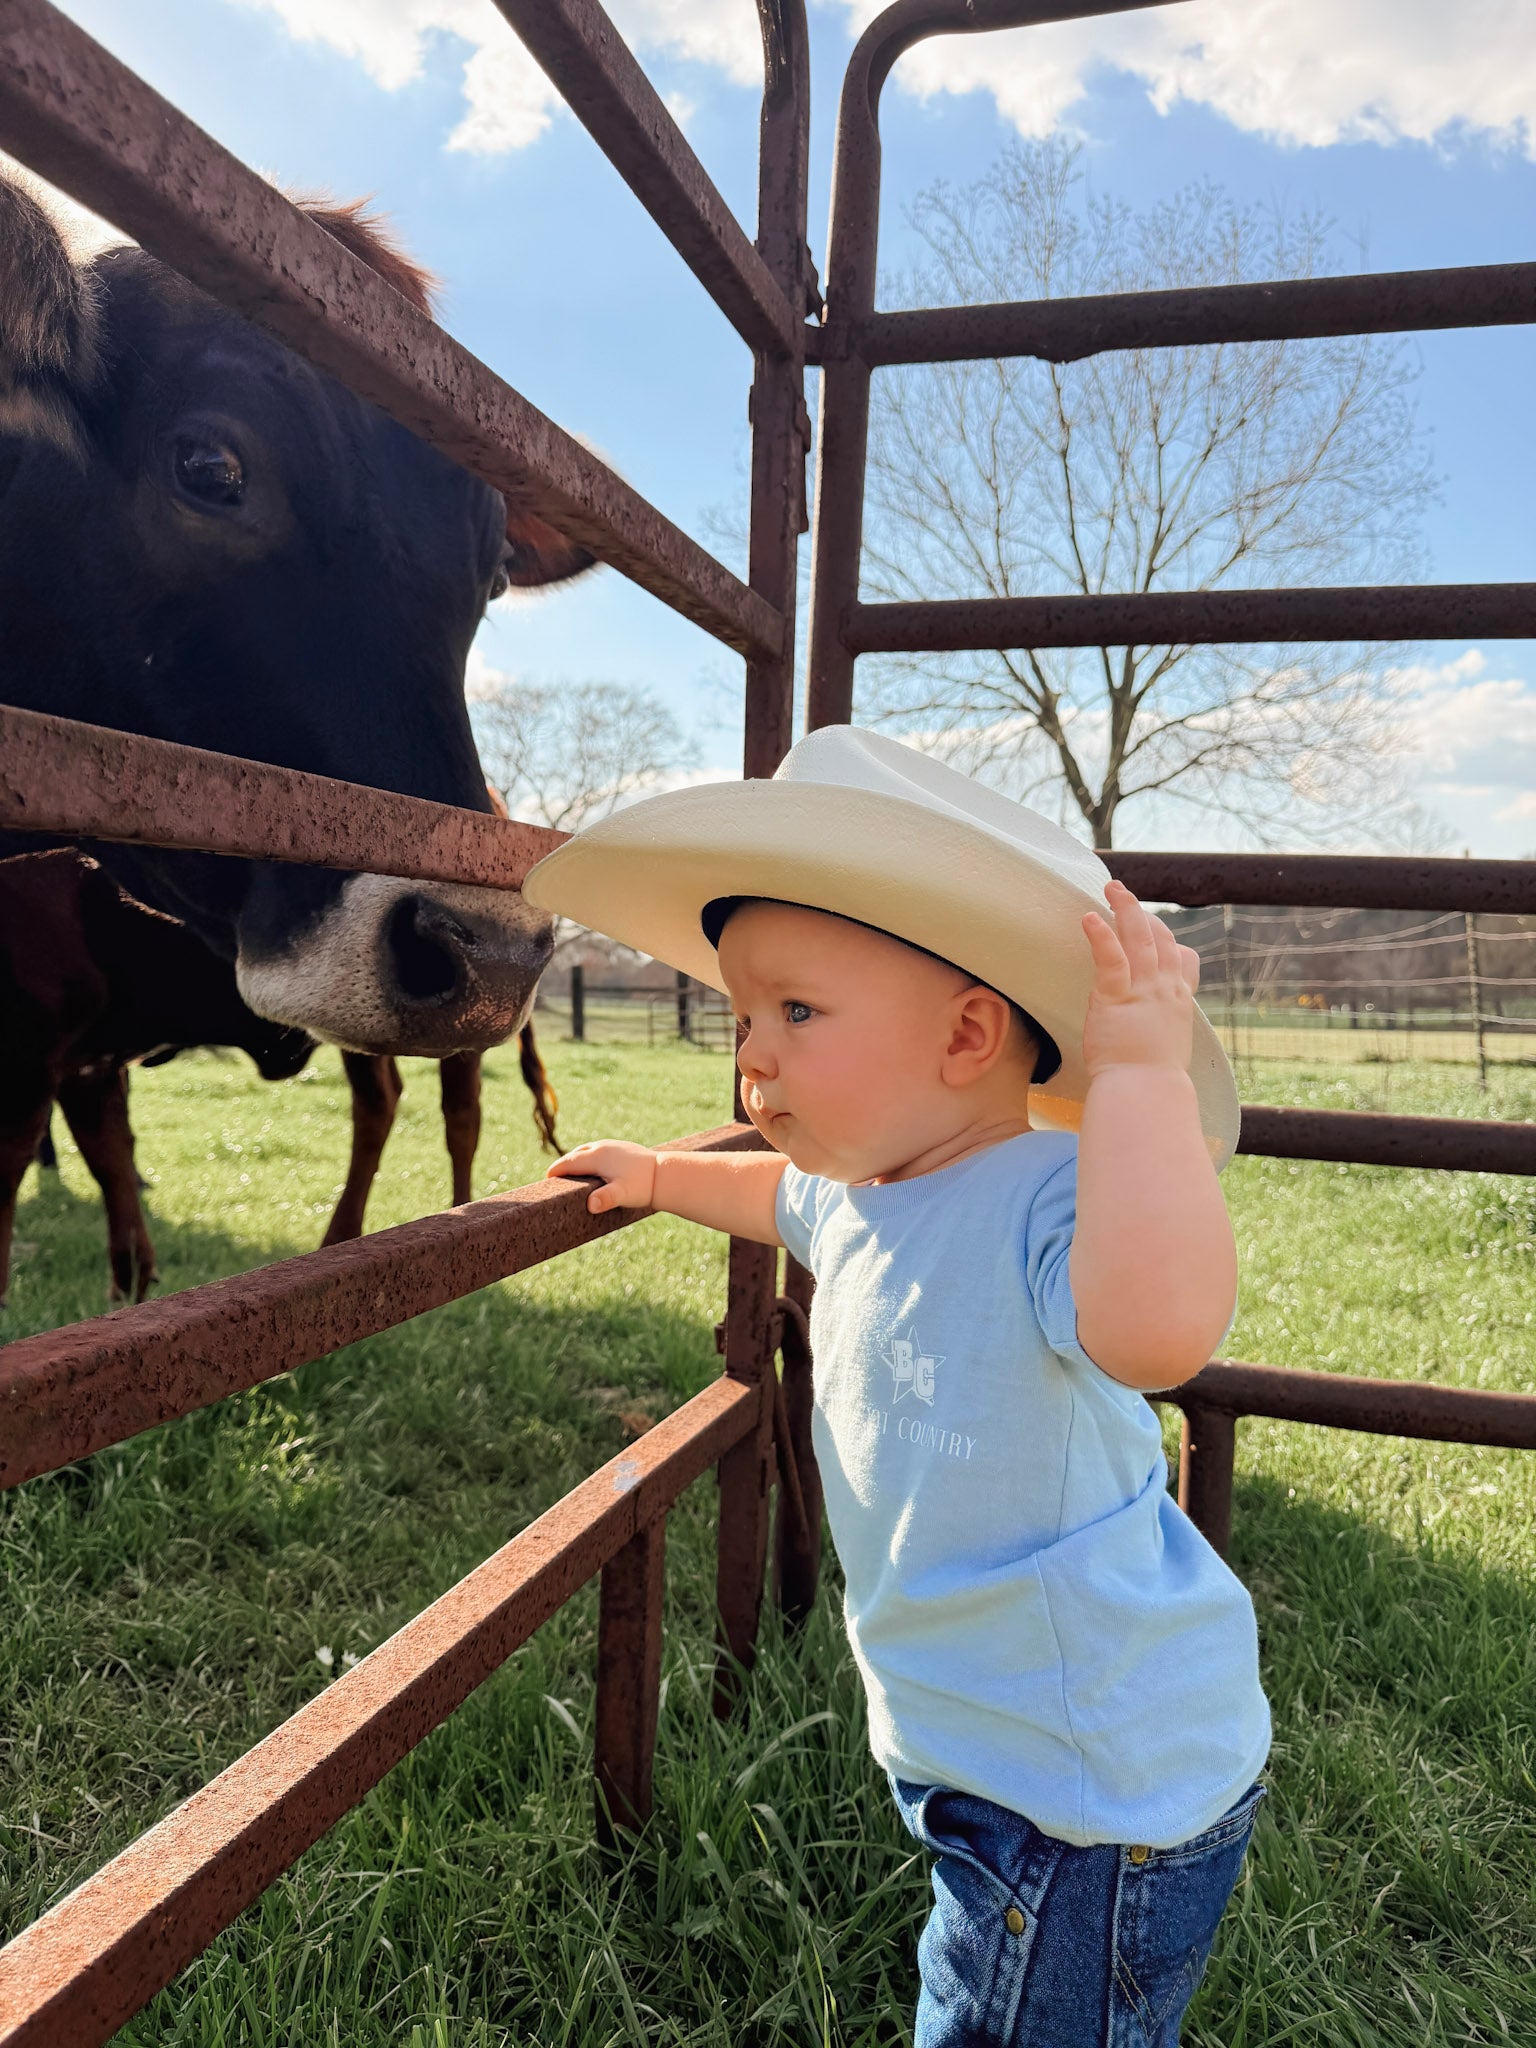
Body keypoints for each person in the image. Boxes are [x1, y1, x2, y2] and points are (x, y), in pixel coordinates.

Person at [523, 725, 1270, 2047]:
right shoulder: (862, 1191)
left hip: (1085, 1795)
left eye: (795, 1013)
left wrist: (1142, 1077)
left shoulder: (1051, 1195)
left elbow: (1157, 1335)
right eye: (741, 1018)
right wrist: (657, 1174)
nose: (750, 1057)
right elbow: (772, 1192)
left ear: (970, 1033)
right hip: (991, 1753)